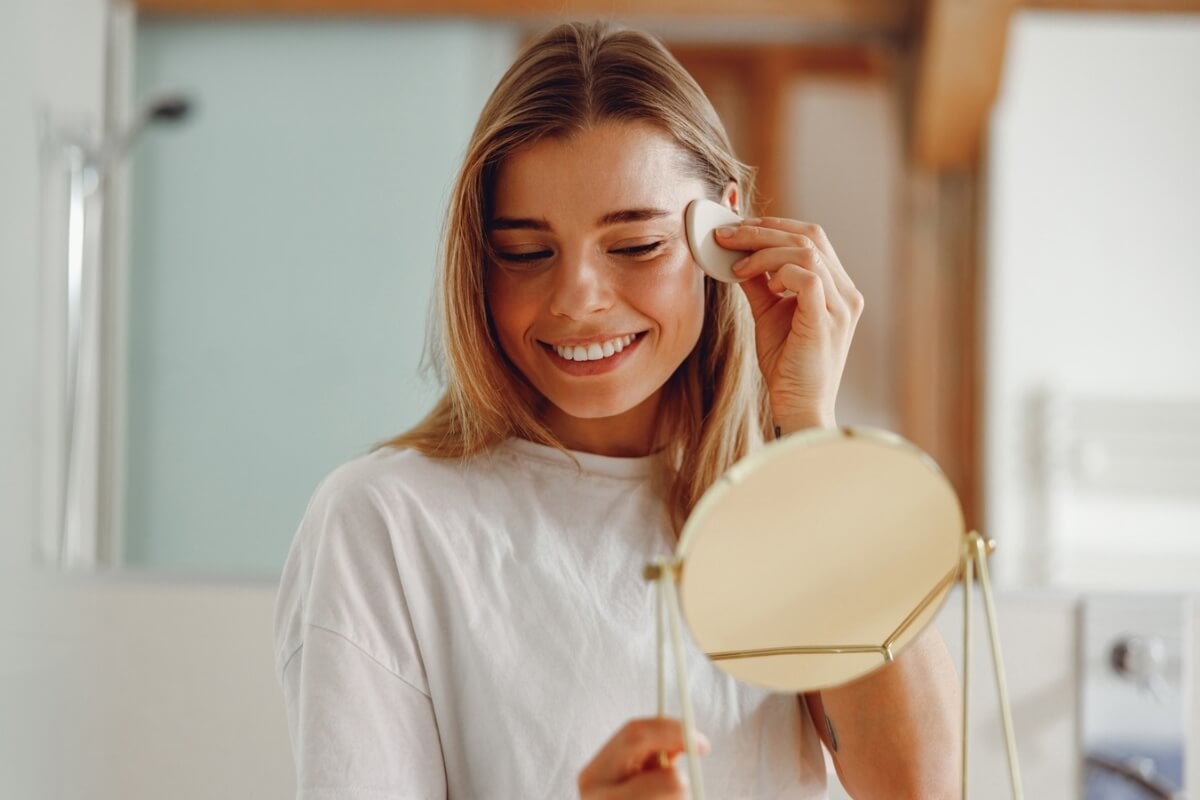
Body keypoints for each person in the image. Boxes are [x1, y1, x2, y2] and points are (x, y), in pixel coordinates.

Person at [273, 20, 960, 800]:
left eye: (635, 247)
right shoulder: (384, 525)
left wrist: (810, 429)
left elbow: (921, 789)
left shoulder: (782, 510)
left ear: (725, 235)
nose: (576, 301)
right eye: (527, 253)